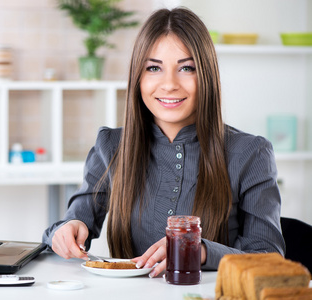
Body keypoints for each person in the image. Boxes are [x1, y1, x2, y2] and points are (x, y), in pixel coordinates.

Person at [42, 7, 286, 278]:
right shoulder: (111, 145)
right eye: (154, 68)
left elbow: (268, 257)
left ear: (206, 75)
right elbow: (74, 221)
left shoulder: (250, 153)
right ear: (138, 76)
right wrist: (67, 230)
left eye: (186, 68)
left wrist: (199, 250)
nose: (169, 84)